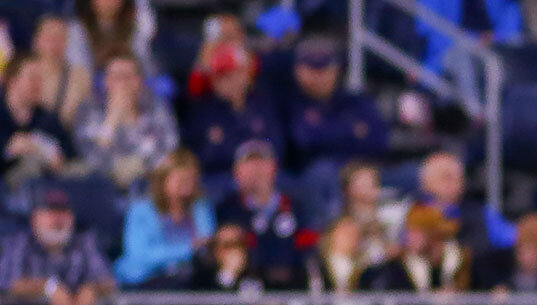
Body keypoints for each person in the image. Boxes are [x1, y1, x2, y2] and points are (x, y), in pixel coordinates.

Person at [278, 37, 387, 184]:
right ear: (298, 70)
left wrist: (327, 131)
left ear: (336, 69)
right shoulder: (288, 103)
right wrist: (351, 131)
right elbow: (304, 140)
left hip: (363, 170)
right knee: (324, 172)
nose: (319, 75)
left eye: (324, 68)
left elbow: (380, 139)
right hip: (311, 178)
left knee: (412, 173)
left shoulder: (354, 100)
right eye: (313, 68)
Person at [0, 188, 115, 305]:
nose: (58, 220)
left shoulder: (84, 242)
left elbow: (108, 280)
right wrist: (48, 287)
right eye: (50, 212)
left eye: (64, 212)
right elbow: (6, 281)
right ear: (34, 218)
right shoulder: (18, 243)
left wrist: (92, 288)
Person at [213, 139, 310, 290]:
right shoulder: (225, 211)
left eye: (262, 162)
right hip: (244, 292)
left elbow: (306, 249)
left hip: (293, 288)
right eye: (249, 163)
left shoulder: (296, 208)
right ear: (236, 171)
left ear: (274, 168)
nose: (256, 169)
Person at [73, 51, 176, 190]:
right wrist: (111, 121)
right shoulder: (89, 110)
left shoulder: (156, 107)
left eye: (127, 77)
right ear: (105, 81)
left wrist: (132, 120)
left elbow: (169, 149)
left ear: (139, 80)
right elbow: (93, 159)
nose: (122, 84)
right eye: (116, 77)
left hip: (150, 183)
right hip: (104, 185)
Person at [116, 149, 213, 288]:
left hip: (189, 281)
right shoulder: (141, 211)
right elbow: (139, 256)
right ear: (163, 180)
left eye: (190, 179)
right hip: (145, 282)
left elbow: (206, 247)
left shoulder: (200, 208)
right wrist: (187, 249)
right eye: (180, 180)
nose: (186, 184)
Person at [183, 42, 280, 176]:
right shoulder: (203, 111)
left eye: (232, 73)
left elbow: (275, 142)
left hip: (264, 174)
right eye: (219, 76)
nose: (226, 81)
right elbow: (199, 156)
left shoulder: (262, 103)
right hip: (221, 178)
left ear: (246, 74)